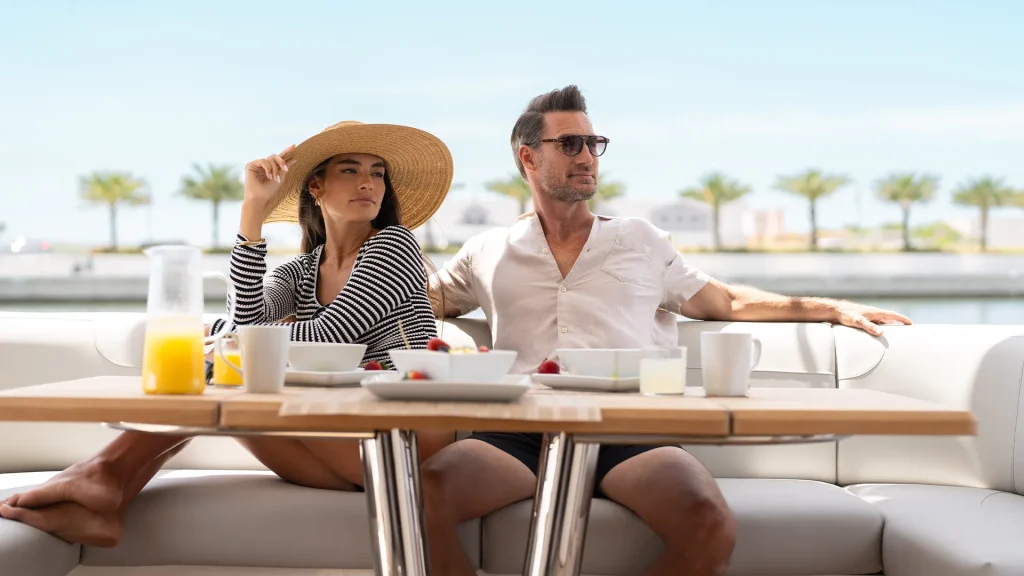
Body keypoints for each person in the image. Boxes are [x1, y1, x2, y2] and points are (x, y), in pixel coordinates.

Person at [423, 85, 913, 576]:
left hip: (632, 429)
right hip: (519, 431)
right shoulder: (486, 251)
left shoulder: (640, 240)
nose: (588, 156)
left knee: (708, 522)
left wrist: (830, 308)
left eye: (595, 144)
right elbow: (414, 299)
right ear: (528, 157)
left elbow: (725, 302)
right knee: (424, 494)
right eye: (570, 144)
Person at [0, 120, 457, 547]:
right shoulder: (301, 270)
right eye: (351, 170)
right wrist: (253, 208)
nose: (368, 183)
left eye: (377, 173)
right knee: (227, 365)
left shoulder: (394, 245)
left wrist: (244, 335)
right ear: (315, 186)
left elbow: (325, 335)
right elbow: (245, 323)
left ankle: (102, 474)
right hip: (336, 446)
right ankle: (107, 496)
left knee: (224, 364)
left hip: (402, 440)